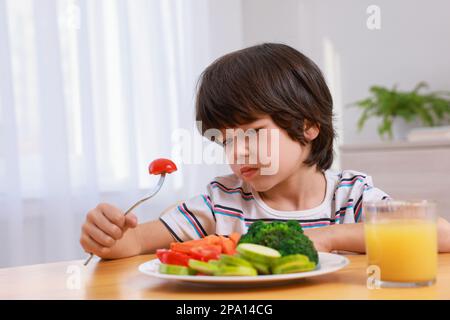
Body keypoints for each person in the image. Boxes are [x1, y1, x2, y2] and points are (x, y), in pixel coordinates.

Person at [80, 43, 450, 259]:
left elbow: (440, 234)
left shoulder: (350, 196)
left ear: (307, 125)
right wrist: (109, 237)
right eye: (224, 140)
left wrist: (331, 237)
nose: (237, 154)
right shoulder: (220, 201)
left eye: (253, 133)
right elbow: (137, 242)